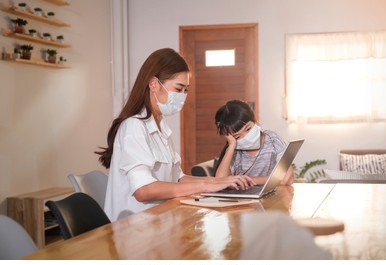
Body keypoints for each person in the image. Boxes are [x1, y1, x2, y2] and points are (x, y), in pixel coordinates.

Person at [95, 48, 255, 221]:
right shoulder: (133, 126)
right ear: (154, 84)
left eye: (186, 90)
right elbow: (143, 190)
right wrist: (207, 186)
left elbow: (178, 179)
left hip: (158, 221)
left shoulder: (161, 127)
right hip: (134, 228)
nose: (183, 96)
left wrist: (222, 182)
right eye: (178, 89)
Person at [214, 99, 294, 186]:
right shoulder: (235, 151)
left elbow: (287, 179)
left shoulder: (272, 140)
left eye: (248, 129)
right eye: (237, 136)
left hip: (271, 196)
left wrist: (249, 180)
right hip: (242, 198)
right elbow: (220, 181)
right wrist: (231, 145)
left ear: (255, 120)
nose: (246, 136)